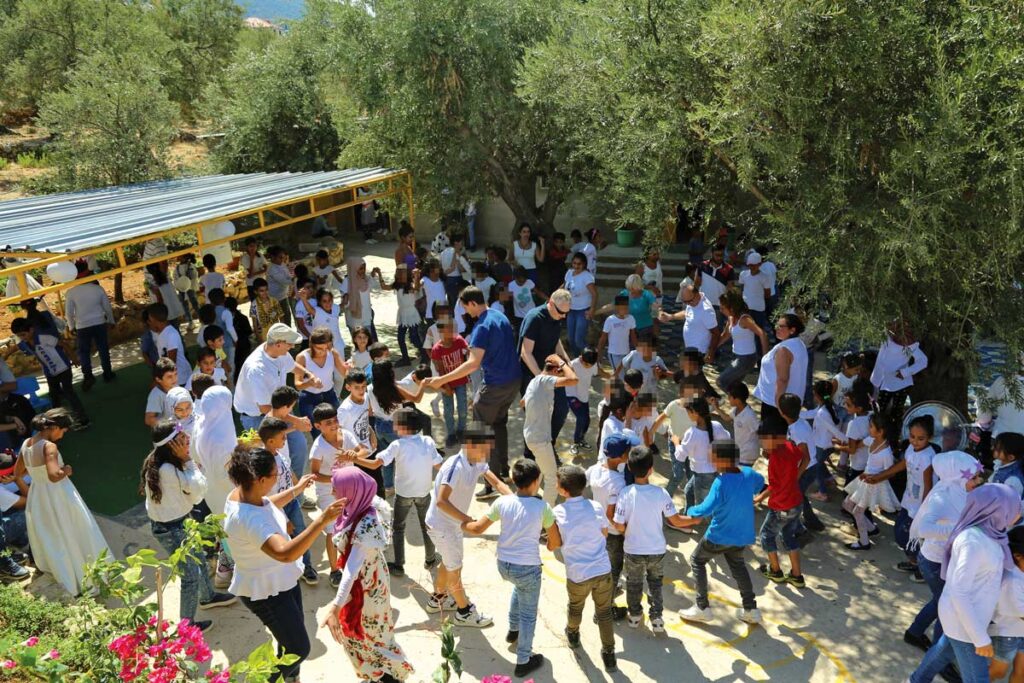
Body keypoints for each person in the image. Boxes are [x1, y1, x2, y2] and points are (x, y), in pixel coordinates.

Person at [223, 446, 346, 683]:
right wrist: (321, 520)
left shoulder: (242, 493)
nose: (278, 477)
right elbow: (285, 553)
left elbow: (268, 503)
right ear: (259, 480)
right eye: (275, 475)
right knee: (299, 649)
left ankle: (291, 677)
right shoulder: (250, 520)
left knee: (289, 638)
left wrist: (296, 490)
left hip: (281, 580)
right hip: (265, 591)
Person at [908, 484, 1022, 683]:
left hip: (969, 619)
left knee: (940, 655)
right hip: (965, 623)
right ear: (997, 511)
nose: (1018, 512)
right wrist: (980, 638)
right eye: (1014, 508)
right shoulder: (973, 541)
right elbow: (959, 592)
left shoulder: (993, 535)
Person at [424, 287, 521, 501]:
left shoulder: (481, 326)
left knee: (480, 432)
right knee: (498, 424)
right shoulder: (499, 315)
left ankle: (490, 482)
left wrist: (442, 379)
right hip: (513, 381)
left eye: (465, 307)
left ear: (473, 304)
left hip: (495, 384)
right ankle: (502, 470)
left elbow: (473, 364)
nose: (465, 311)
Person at [463, 459, 557, 678]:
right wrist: (552, 544)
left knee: (518, 588)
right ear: (535, 483)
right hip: (528, 569)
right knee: (529, 614)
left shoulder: (502, 503)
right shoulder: (543, 508)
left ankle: (513, 630)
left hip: (504, 566)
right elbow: (554, 542)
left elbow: (477, 528)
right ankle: (524, 659)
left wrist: (460, 522)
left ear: (513, 480)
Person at [141, 420, 236, 630]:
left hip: (179, 522)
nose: (188, 440)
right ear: (171, 446)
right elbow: (198, 492)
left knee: (200, 560)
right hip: (173, 528)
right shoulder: (169, 470)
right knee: (190, 576)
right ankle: (187, 625)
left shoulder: (158, 461)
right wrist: (189, 461)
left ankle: (208, 597)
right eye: (182, 439)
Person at [320, 468, 413, 683]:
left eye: (337, 488)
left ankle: (387, 677)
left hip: (367, 589)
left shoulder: (367, 524)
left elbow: (352, 569)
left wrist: (335, 606)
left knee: (369, 636)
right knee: (367, 635)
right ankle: (377, 675)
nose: (333, 492)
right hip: (366, 581)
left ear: (351, 491)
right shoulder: (359, 506)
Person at [14, 409, 109, 595]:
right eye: (63, 431)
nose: (62, 435)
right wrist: (66, 469)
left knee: (54, 535)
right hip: (58, 495)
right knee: (73, 529)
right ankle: (85, 575)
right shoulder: (49, 447)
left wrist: (35, 473)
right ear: (55, 427)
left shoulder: (27, 444)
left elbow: (18, 473)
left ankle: (65, 576)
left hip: (38, 495)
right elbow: (54, 475)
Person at [424, 425, 512, 627]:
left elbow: (497, 483)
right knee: (455, 567)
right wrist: (466, 519)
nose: (487, 452)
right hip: (442, 525)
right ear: (469, 445)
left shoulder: (477, 459)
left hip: (452, 524)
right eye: (484, 448)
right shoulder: (454, 467)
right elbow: (441, 501)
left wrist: (515, 500)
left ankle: (437, 599)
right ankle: (464, 612)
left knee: (449, 562)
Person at [904, 451, 984, 652]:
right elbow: (925, 529)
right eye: (973, 477)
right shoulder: (943, 496)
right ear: (957, 476)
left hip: (945, 559)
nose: (978, 481)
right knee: (947, 607)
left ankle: (914, 633)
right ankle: (938, 654)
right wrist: (960, 529)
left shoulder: (959, 491)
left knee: (941, 601)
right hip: (934, 561)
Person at [678, 440, 764, 624]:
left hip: (719, 535)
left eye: (713, 456)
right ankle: (750, 609)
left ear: (723, 460)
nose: (710, 458)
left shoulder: (720, 482)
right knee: (739, 568)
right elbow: (761, 483)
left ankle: (702, 607)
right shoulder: (749, 474)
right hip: (741, 536)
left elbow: (705, 509)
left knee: (697, 560)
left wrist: (690, 512)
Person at [612, 446, 692, 632]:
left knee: (633, 583)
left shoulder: (625, 493)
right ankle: (656, 618)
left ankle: (634, 615)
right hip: (657, 550)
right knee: (655, 583)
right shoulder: (661, 494)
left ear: (630, 469)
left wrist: (628, 532)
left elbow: (618, 524)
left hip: (633, 549)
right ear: (651, 469)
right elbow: (676, 520)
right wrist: (695, 518)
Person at [550, 464, 619, 673]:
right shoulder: (596, 506)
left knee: (575, 607)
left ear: (562, 490)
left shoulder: (558, 512)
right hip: (602, 570)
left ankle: (572, 633)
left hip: (578, 574)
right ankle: (609, 654)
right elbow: (605, 533)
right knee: (604, 612)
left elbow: (554, 543)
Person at [372, 408, 442, 575]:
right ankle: (430, 559)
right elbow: (439, 465)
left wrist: (355, 458)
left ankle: (398, 564)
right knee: (427, 526)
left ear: (402, 427)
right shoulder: (428, 441)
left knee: (398, 528)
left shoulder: (397, 445)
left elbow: (377, 462)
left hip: (403, 494)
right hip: (424, 493)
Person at [309, 403, 368, 587]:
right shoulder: (318, 447)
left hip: (352, 489)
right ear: (318, 426)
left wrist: (354, 455)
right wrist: (336, 479)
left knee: (353, 527)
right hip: (328, 493)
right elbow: (315, 474)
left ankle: (353, 564)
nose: (334, 424)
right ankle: (334, 570)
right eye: (329, 422)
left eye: (335, 420)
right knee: (333, 531)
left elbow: (363, 450)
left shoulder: (347, 435)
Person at [871, 415, 937, 579]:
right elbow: (903, 464)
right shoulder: (910, 449)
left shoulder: (928, 457)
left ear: (930, 438)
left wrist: (924, 511)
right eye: (912, 437)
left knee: (913, 536)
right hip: (909, 500)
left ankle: (922, 568)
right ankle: (915, 562)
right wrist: (881, 476)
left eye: (920, 438)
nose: (915, 441)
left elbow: (928, 485)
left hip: (921, 505)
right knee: (902, 534)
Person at [193, 385, 239, 588]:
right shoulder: (221, 438)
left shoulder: (201, 424)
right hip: (226, 490)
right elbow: (226, 474)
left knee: (223, 530)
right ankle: (234, 572)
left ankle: (224, 570)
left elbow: (195, 456)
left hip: (209, 488)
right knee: (234, 532)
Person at [234, 323, 320, 432]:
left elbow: (292, 366)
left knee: (299, 447)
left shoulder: (279, 352)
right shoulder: (257, 370)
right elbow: (264, 408)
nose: (292, 346)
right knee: (271, 449)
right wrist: (296, 421)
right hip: (258, 417)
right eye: (289, 343)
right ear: (278, 344)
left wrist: (310, 375)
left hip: (282, 409)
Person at [754, 421, 808, 587]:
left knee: (766, 534)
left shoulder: (775, 460)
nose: (762, 443)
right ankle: (796, 576)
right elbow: (804, 457)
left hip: (781, 506)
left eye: (764, 440)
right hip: (796, 502)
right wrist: (794, 477)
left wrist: (759, 498)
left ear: (774, 438)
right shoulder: (789, 446)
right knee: (788, 536)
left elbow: (774, 486)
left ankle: (775, 571)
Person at [518, 292, 573, 451]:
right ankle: (530, 455)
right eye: (561, 312)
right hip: (532, 374)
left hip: (552, 372)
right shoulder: (535, 318)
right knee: (536, 418)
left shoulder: (557, 316)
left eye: (566, 313)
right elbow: (525, 352)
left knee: (561, 410)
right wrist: (541, 378)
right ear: (550, 302)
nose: (563, 317)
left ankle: (549, 445)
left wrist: (566, 361)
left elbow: (555, 340)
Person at [11, 317, 89, 429]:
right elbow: (13, 348)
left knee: (69, 393)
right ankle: (56, 422)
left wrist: (74, 358)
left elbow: (64, 344)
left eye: (23, 334)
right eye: (19, 336)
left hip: (63, 368)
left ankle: (83, 419)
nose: (22, 338)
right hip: (50, 373)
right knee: (54, 396)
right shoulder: (25, 343)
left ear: (31, 330)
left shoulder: (44, 338)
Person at [521, 354, 578, 506]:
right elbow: (573, 379)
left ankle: (528, 499)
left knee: (540, 470)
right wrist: (561, 362)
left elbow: (522, 402)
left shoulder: (535, 381)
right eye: (560, 372)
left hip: (531, 435)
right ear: (555, 370)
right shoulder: (545, 380)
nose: (560, 377)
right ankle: (546, 519)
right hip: (540, 439)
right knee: (552, 478)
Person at [585, 435, 630, 620]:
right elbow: (612, 514)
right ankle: (604, 610)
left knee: (602, 565)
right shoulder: (618, 482)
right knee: (614, 569)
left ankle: (604, 595)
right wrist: (624, 531)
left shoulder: (594, 470)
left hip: (598, 529)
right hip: (613, 532)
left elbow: (580, 483)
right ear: (621, 456)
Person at [842, 413, 901, 550]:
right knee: (847, 504)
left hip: (872, 484)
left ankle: (864, 542)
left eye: (871, 426)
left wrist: (874, 478)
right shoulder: (871, 440)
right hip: (864, 479)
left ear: (880, 431)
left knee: (857, 511)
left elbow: (890, 472)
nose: (869, 429)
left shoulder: (886, 452)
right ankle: (871, 529)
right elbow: (858, 445)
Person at [871, 320, 929, 443]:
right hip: (881, 381)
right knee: (878, 411)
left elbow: (923, 361)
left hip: (899, 383)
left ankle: (893, 441)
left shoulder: (911, 346)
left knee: (895, 414)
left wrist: (904, 373)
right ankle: (877, 438)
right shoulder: (886, 337)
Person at [753, 313, 808, 432]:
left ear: (792, 330)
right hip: (787, 404)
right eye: (777, 325)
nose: (776, 329)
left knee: (772, 443)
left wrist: (780, 407)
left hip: (776, 406)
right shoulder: (799, 344)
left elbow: (782, 379)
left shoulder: (784, 350)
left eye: (781, 326)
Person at [676, 397, 730, 511]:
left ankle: (710, 525)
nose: (687, 415)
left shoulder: (692, 433)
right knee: (688, 491)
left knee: (705, 506)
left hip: (702, 475)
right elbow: (727, 437)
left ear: (695, 412)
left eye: (688, 412)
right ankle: (689, 515)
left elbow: (680, 456)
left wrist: (676, 442)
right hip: (712, 471)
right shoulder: (716, 425)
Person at [64, 275, 116, 390]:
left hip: (82, 326)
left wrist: (71, 327)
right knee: (103, 348)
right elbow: (107, 307)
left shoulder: (71, 292)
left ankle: (88, 376)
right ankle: (108, 373)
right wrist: (111, 320)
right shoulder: (97, 288)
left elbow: (68, 313)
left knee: (84, 352)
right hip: (99, 322)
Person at [987, 526, 1024, 682]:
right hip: (1007, 633)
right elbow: (1019, 611)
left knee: (1021, 672)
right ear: (1017, 556)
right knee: (997, 672)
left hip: (1020, 631)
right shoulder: (1011, 579)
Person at [295, 327, 346, 436]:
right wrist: (310, 383)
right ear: (311, 344)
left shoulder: (333, 353)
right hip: (309, 398)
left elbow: (344, 373)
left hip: (330, 395)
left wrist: (349, 367)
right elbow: (298, 385)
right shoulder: (302, 357)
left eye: (326, 348)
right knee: (317, 433)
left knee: (338, 428)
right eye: (319, 348)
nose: (323, 351)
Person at [714, 289, 767, 392]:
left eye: (723, 308)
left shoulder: (745, 319)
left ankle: (736, 401)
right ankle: (739, 404)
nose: (720, 310)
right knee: (734, 386)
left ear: (732, 308)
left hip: (746, 359)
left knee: (721, 381)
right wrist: (711, 349)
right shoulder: (731, 318)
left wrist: (765, 357)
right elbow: (725, 335)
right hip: (736, 356)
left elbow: (762, 334)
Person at [431, 317, 470, 448]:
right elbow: (441, 370)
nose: (452, 330)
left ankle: (461, 430)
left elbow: (468, 351)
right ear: (441, 331)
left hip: (461, 380)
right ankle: (451, 434)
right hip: (446, 382)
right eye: (448, 328)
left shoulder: (459, 341)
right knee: (448, 410)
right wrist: (446, 386)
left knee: (463, 408)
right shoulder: (437, 349)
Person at [659, 284, 719, 364]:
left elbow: (716, 333)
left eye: (689, 301)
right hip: (689, 347)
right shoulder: (693, 301)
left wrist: (711, 353)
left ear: (696, 294)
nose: (688, 304)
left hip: (699, 352)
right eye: (685, 302)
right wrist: (671, 316)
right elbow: (687, 313)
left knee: (691, 374)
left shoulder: (706, 311)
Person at [568, 347, 605, 456]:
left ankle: (581, 439)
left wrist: (613, 377)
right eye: (587, 365)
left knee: (587, 420)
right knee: (581, 417)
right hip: (571, 395)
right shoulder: (572, 365)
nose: (589, 367)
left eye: (591, 365)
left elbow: (599, 371)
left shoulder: (592, 365)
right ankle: (575, 443)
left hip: (583, 396)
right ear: (581, 359)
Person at [146, 302, 192, 387]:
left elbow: (172, 360)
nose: (149, 322)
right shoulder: (161, 334)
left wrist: (160, 380)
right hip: (173, 377)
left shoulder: (171, 334)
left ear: (153, 319)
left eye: (149, 320)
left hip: (181, 378)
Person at [339, 257, 383, 341]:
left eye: (364, 268)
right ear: (353, 268)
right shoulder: (347, 281)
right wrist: (345, 301)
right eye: (360, 268)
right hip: (354, 319)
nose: (363, 271)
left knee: (368, 342)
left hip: (366, 317)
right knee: (359, 344)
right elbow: (345, 299)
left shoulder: (365, 279)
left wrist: (373, 274)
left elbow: (370, 285)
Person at [563, 252, 597, 355]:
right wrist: (555, 295)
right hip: (570, 310)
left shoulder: (587, 276)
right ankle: (578, 360)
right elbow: (564, 285)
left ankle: (591, 358)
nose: (576, 266)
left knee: (579, 340)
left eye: (579, 264)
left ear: (584, 264)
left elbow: (595, 294)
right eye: (574, 263)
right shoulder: (569, 272)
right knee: (571, 339)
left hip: (583, 311)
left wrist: (592, 310)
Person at [393, 265, 424, 366]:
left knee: (414, 338)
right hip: (402, 314)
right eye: (399, 273)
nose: (401, 275)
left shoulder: (410, 286)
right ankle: (405, 358)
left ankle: (425, 354)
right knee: (400, 338)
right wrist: (379, 275)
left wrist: (417, 276)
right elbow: (384, 286)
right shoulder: (397, 285)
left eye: (404, 273)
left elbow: (417, 288)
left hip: (411, 314)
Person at [598, 295, 637, 371]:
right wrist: (599, 353)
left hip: (626, 353)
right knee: (618, 374)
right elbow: (603, 338)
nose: (626, 310)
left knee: (626, 374)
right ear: (616, 308)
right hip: (614, 353)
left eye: (627, 308)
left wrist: (637, 350)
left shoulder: (631, 319)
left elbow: (633, 336)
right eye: (623, 308)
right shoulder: (610, 320)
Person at [699, 245, 734, 323]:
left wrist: (726, 305)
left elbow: (730, 288)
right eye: (717, 255)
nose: (719, 258)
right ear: (712, 254)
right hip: (704, 304)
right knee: (704, 328)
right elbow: (697, 282)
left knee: (718, 330)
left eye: (721, 255)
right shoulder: (703, 265)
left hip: (719, 306)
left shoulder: (729, 269)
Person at [738, 251, 770, 330]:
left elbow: (767, 294)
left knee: (758, 332)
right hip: (746, 309)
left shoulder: (764, 277)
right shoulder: (743, 274)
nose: (751, 267)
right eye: (750, 265)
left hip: (759, 309)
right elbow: (741, 289)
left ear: (759, 264)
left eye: (753, 265)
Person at [144, 358, 179, 428]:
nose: (174, 378)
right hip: (169, 433)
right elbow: (148, 419)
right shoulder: (155, 395)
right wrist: (172, 425)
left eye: (175, 374)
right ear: (158, 379)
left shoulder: (176, 386)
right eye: (169, 376)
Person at [265, 246, 293, 329]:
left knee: (287, 316)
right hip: (274, 298)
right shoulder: (272, 268)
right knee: (277, 320)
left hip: (283, 296)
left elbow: (288, 276)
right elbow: (284, 281)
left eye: (283, 258)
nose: (282, 260)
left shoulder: (282, 264)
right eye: (280, 257)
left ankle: (288, 336)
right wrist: (295, 280)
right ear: (273, 257)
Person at [250, 277, 284, 342]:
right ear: (255, 292)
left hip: (276, 334)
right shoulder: (254, 305)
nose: (265, 292)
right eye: (261, 291)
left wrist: (281, 331)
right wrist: (259, 338)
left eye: (266, 290)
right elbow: (254, 324)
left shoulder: (274, 301)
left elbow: (281, 317)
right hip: (264, 337)